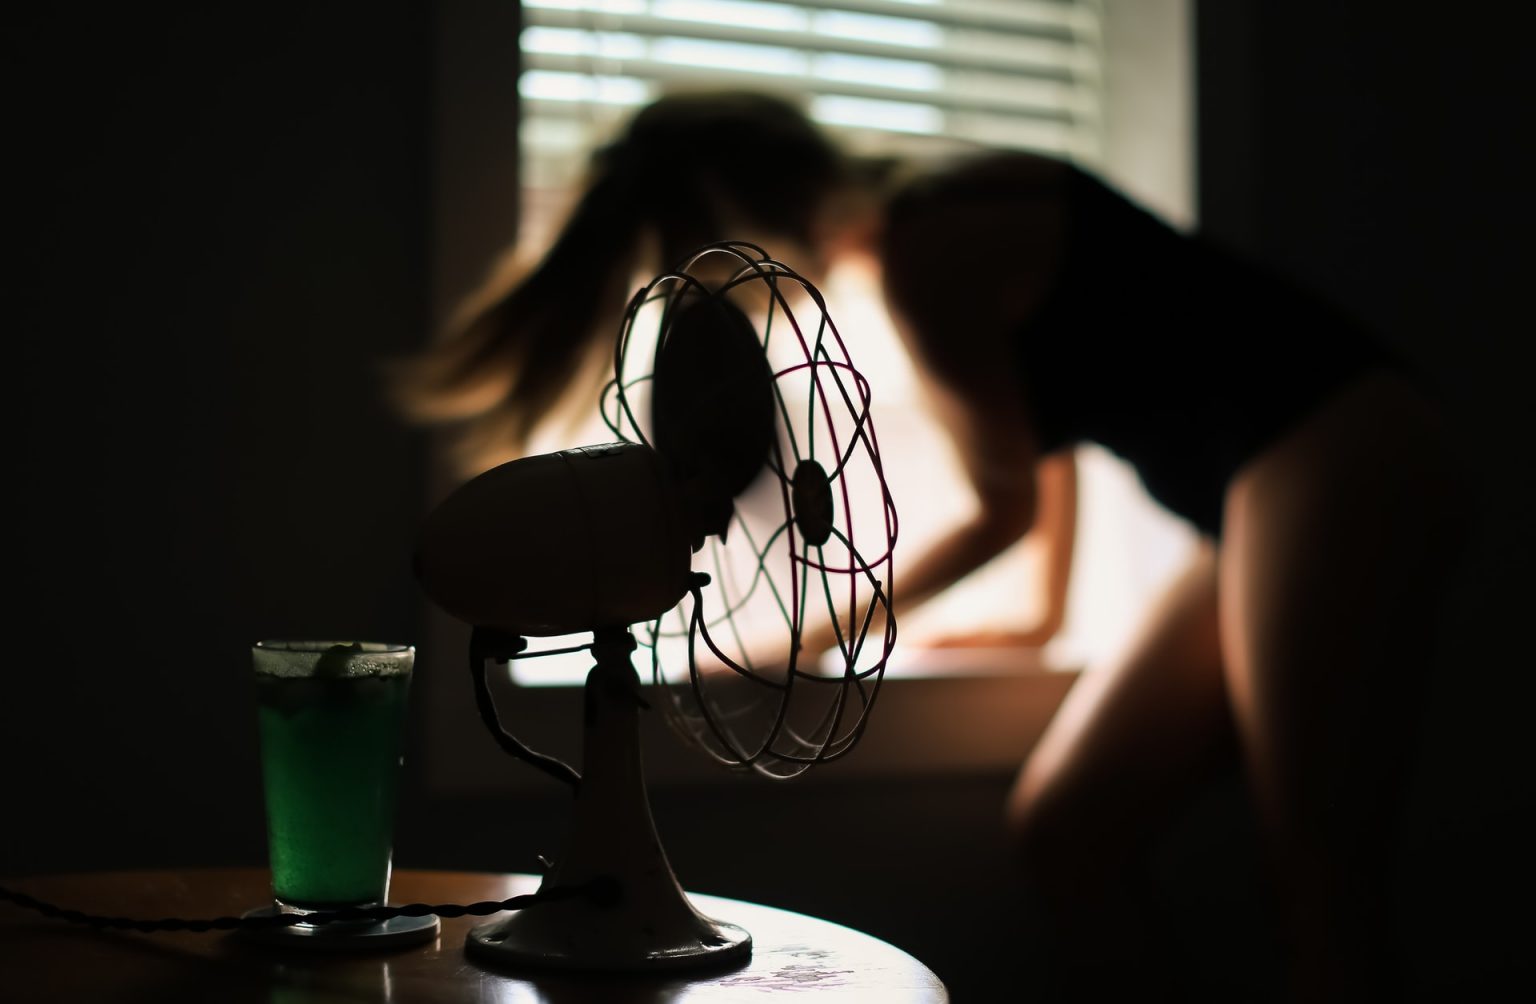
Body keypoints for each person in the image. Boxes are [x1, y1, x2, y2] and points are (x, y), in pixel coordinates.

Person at [395, 90, 1453, 1000]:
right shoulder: (936, 217)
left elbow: (1003, 505)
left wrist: (792, 637)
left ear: (731, 211)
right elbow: (1041, 425)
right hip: (1256, 485)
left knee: (1320, 873)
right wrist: (1039, 609)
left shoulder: (922, 245)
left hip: (1327, 442)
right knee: (1070, 826)